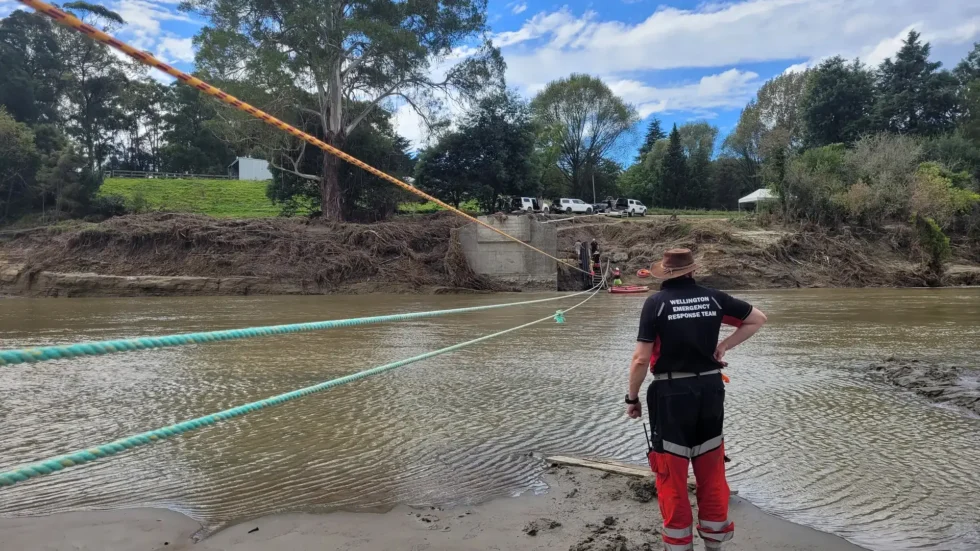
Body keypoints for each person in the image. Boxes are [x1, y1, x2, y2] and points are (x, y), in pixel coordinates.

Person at [625, 248, 767, 551]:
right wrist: (723, 346)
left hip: (670, 394)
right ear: (692, 271)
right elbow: (756, 319)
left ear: (665, 273)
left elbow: (640, 359)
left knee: (671, 473)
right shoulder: (714, 298)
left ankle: (679, 546)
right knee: (711, 468)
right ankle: (714, 543)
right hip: (711, 391)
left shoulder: (656, 304)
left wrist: (631, 397)